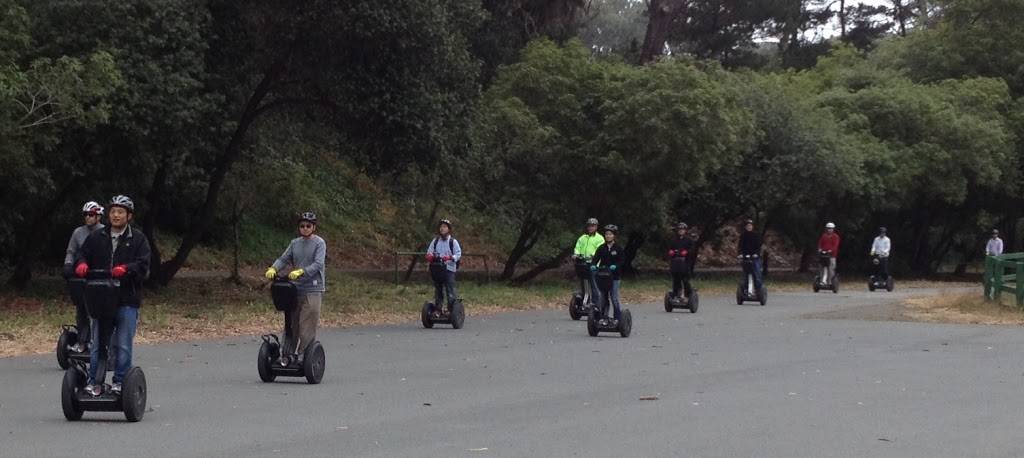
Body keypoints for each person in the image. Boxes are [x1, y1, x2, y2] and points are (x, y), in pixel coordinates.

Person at [73, 195, 151, 396]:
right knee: (98, 341)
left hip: (126, 298)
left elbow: (144, 265)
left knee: (122, 344)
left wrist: (127, 269)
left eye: (121, 212)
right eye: (113, 211)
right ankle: (94, 382)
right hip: (101, 298)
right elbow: (82, 254)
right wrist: (81, 264)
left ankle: (119, 381)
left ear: (129, 216)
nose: (116, 215)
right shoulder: (98, 237)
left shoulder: (138, 239)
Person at [265, 211, 327, 366]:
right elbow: (283, 259)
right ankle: (286, 355)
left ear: (313, 227)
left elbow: (318, 264)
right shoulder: (295, 243)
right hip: (295, 289)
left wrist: (302, 271)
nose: (305, 228)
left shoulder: (319, 243)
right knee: (292, 324)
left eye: (308, 226)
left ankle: (303, 357)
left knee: (307, 323)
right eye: (302, 226)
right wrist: (273, 268)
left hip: (313, 289)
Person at [62, 201, 105, 353]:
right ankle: (82, 342)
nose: (88, 217)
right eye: (85, 215)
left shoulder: (105, 232)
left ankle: (96, 342)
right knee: (81, 310)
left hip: (98, 276)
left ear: (98, 216)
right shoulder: (78, 232)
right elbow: (71, 252)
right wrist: (68, 265)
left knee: (94, 311)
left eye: (91, 215)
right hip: (81, 275)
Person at [424, 219, 462, 314]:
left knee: (450, 289)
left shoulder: (453, 242)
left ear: (449, 229)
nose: (442, 229)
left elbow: (458, 253)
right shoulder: (436, 241)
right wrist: (430, 256)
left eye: (444, 227)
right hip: (437, 269)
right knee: (438, 290)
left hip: (449, 269)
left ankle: (451, 309)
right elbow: (429, 252)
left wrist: (451, 257)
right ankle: (438, 309)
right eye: (441, 227)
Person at [591, 224, 624, 324]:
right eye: (606, 234)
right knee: (603, 297)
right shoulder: (601, 248)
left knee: (614, 297)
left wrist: (616, 266)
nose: (608, 236)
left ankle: (617, 318)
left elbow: (622, 261)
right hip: (603, 276)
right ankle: (603, 317)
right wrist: (593, 265)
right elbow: (595, 259)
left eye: (610, 234)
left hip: (614, 277)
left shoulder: (618, 248)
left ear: (614, 236)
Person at [572, 218, 604, 305]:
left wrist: (593, 255)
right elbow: (578, 246)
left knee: (594, 283)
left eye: (593, 226)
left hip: (594, 264)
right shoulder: (583, 238)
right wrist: (576, 254)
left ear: (596, 227)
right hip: (582, 263)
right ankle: (581, 298)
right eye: (589, 226)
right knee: (582, 281)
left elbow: (600, 249)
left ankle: (595, 303)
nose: (590, 228)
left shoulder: (599, 238)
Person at [666, 222, 694, 300]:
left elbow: (692, 250)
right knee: (676, 280)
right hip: (675, 263)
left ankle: (688, 294)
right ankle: (676, 294)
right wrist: (670, 252)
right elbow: (670, 249)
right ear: (677, 231)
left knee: (685, 280)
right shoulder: (674, 240)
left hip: (685, 263)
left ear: (685, 231)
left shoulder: (689, 240)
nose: (681, 231)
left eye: (682, 229)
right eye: (679, 229)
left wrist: (687, 252)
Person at [738, 219, 763, 291]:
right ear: (745, 227)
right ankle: (744, 289)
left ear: (752, 227)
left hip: (755, 257)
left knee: (756, 273)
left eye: (750, 226)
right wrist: (740, 254)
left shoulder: (756, 235)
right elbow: (740, 246)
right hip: (746, 257)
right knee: (744, 275)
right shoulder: (743, 236)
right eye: (747, 226)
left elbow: (758, 246)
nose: (749, 227)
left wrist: (756, 254)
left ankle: (758, 289)